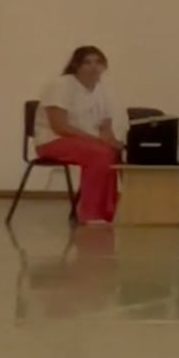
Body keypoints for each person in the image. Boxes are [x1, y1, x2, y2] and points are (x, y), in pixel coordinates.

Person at [34, 45, 124, 226]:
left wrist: (116, 143)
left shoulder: (101, 90)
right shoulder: (61, 85)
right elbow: (60, 127)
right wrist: (97, 141)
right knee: (99, 154)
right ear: (76, 65)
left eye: (98, 62)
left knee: (113, 153)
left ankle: (108, 213)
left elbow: (106, 128)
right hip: (53, 141)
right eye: (87, 62)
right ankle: (89, 213)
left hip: (88, 142)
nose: (94, 67)